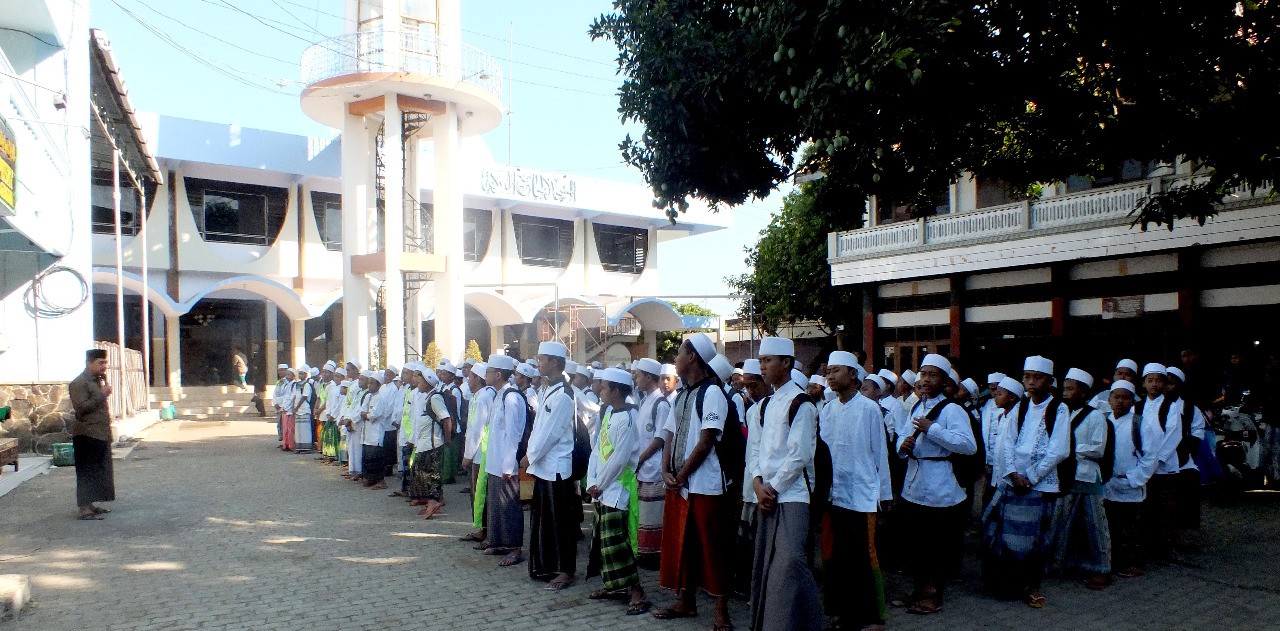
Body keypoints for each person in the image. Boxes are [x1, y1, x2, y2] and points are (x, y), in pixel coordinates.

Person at [654, 333, 733, 631]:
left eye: (678, 354)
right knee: (683, 545)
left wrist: (681, 475)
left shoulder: (712, 392)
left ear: (692, 357)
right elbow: (669, 435)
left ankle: (720, 611)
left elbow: (706, 440)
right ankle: (686, 602)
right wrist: (666, 471)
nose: (674, 359)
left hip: (705, 485)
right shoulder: (682, 395)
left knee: (712, 548)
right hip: (680, 483)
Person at [747, 337, 822, 631]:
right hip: (766, 493)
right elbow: (754, 450)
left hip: (792, 494)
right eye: (762, 360)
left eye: (768, 360)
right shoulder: (764, 406)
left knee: (790, 564)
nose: (762, 366)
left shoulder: (801, 403)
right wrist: (756, 483)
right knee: (766, 564)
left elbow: (799, 454)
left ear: (786, 363)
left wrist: (773, 487)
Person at [983, 355, 1070, 608]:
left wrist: (1030, 478)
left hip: (1040, 485)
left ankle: (1033, 586)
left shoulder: (1059, 408)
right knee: (1007, 536)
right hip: (1013, 484)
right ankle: (1008, 585)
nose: (1031, 383)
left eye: (1037, 378)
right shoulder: (1021, 406)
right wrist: (1012, 474)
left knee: (1035, 540)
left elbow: (1059, 450)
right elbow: (1006, 442)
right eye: (1027, 377)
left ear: (1050, 382)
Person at [894, 354, 976, 615]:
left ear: (943, 380)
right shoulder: (917, 406)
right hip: (914, 483)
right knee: (915, 544)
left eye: (933, 375)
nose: (926, 379)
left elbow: (968, 445)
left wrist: (933, 429)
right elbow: (904, 435)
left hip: (940, 483)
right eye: (923, 374)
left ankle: (934, 594)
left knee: (936, 546)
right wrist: (902, 447)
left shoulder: (952, 409)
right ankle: (919, 589)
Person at [820, 350, 892, 631]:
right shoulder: (828, 409)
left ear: (853, 374)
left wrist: (884, 495)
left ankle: (873, 617)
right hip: (835, 495)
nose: (830, 376)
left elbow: (880, 454)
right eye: (828, 371)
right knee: (839, 560)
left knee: (864, 558)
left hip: (862, 496)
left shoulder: (868, 409)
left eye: (836, 370)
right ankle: (846, 614)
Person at [585, 367, 651, 614]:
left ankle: (637, 592)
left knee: (618, 542)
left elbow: (620, 459)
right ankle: (614, 585)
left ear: (614, 390)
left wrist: (599, 484)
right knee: (603, 541)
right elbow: (596, 450)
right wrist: (592, 481)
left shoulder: (628, 418)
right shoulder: (610, 412)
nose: (599, 391)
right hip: (602, 488)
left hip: (617, 488)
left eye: (603, 387)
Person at [1046, 368, 1112, 589]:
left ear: (1083, 392)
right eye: (1064, 388)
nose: (1065, 392)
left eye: (1071, 389)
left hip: (1086, 476)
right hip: (1064, 476)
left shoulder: (1095, 416)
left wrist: (1070, 449)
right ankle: (1060, 564)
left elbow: (1098, 449)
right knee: (1062, 522)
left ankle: (1102, 569)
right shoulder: (1062, 412)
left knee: (1094, 525)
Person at [526, 342, 580, 589]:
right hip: (543, 465)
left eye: (542, 359)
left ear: (556, 362)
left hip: (557, 466)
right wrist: (531, 454)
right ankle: (547, 565)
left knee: (560, 521)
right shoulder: (548, 389)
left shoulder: (564, 394)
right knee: (544, 519)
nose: (539, 363)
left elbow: (551, 433)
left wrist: (530, 456)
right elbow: (539, 429)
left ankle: (566, 570)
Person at [1104, 380, 1161, 579]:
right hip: (1106, 484)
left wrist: (1134, 478)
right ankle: (1110, 561)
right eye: (1116, 397)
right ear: (1109, 399)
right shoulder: (1103, 420)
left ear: (1132, 401)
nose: (1120, 401)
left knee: (1130, 527)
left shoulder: (1139, 422)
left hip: (1129, 484)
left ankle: (1131, 563)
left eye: (1125, 397)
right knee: (1110, 525)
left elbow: (1150, 456)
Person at [483, 353, 528, 567]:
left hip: (505, 462)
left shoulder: (512, 397)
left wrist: (509, 464)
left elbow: (514, 434)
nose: (485, 375)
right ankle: (499, 541)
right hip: (494, 460)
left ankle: (514, 547)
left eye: (489, 372)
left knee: (509, 505)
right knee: (496, 504)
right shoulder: (499, 395)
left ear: (498, 374)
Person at [1138, 363, 1183, 561]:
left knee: (1166, 509)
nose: (1154, 384)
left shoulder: (1171, 407)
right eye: (1150, 380)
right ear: (1143, 384)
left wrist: (1157, 460)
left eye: (1158, 380)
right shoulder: (1137, 406)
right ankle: (1147, 547)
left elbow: (1174, 435)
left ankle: (1167, 548)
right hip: (1142, 466)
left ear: (1165, 385)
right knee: (1145, 508)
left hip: (1164, 468)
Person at [631, 357, 670, 569]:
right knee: (644, 513)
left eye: (638, 375)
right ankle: (645, 552)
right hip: (642, 467)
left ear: (648, 377)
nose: (635, 379)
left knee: (654, 514)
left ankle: (655, 556)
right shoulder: (645, 401)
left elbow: (660, 438)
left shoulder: (660, 403)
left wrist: (641, 458)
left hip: (653, 468)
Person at [68, 349, 116, 520]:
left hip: (100, 433)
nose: (104, 366)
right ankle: (84, 509)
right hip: (86, 434)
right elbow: (81, 408)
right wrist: (102, 395)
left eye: (105, 362)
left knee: (98, 470)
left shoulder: (97, 381)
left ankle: (90, 504)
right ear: (89, 363)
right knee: (86, 471)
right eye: (100, 363)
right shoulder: (79, 383)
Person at [1165, 366, 1206, 551]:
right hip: (1154, 461)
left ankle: (1185, 534)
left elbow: (1198, 432)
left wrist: (1184, 447)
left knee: (1188, 485)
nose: (1166, 387)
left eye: (1171, 384)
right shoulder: (1147, 406)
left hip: (1182, 460)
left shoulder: (1189, 408)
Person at [461, 362, 496, 542]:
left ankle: (485, 531)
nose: (467, 379)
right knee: (478, 491)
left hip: (481, 453)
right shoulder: (480, 395)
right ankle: (482, 529)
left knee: (480, 491)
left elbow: (477, 429)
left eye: (470, 376)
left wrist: (468, 456)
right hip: (480, 452)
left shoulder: (483, 397)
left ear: (478, 379)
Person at [291, 365, 315, 454]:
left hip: (304, 409)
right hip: (297, 410)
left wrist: (297, 407)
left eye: (302, 374)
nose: (300, 375)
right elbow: (294, 396)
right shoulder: (296, 385)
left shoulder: (307, 385)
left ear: (306, 375)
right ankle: (299, 446)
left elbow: (304, 397)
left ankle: (306, 447)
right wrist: (294, 407)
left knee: (305, 429)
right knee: (298, 429)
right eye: (299, 374)